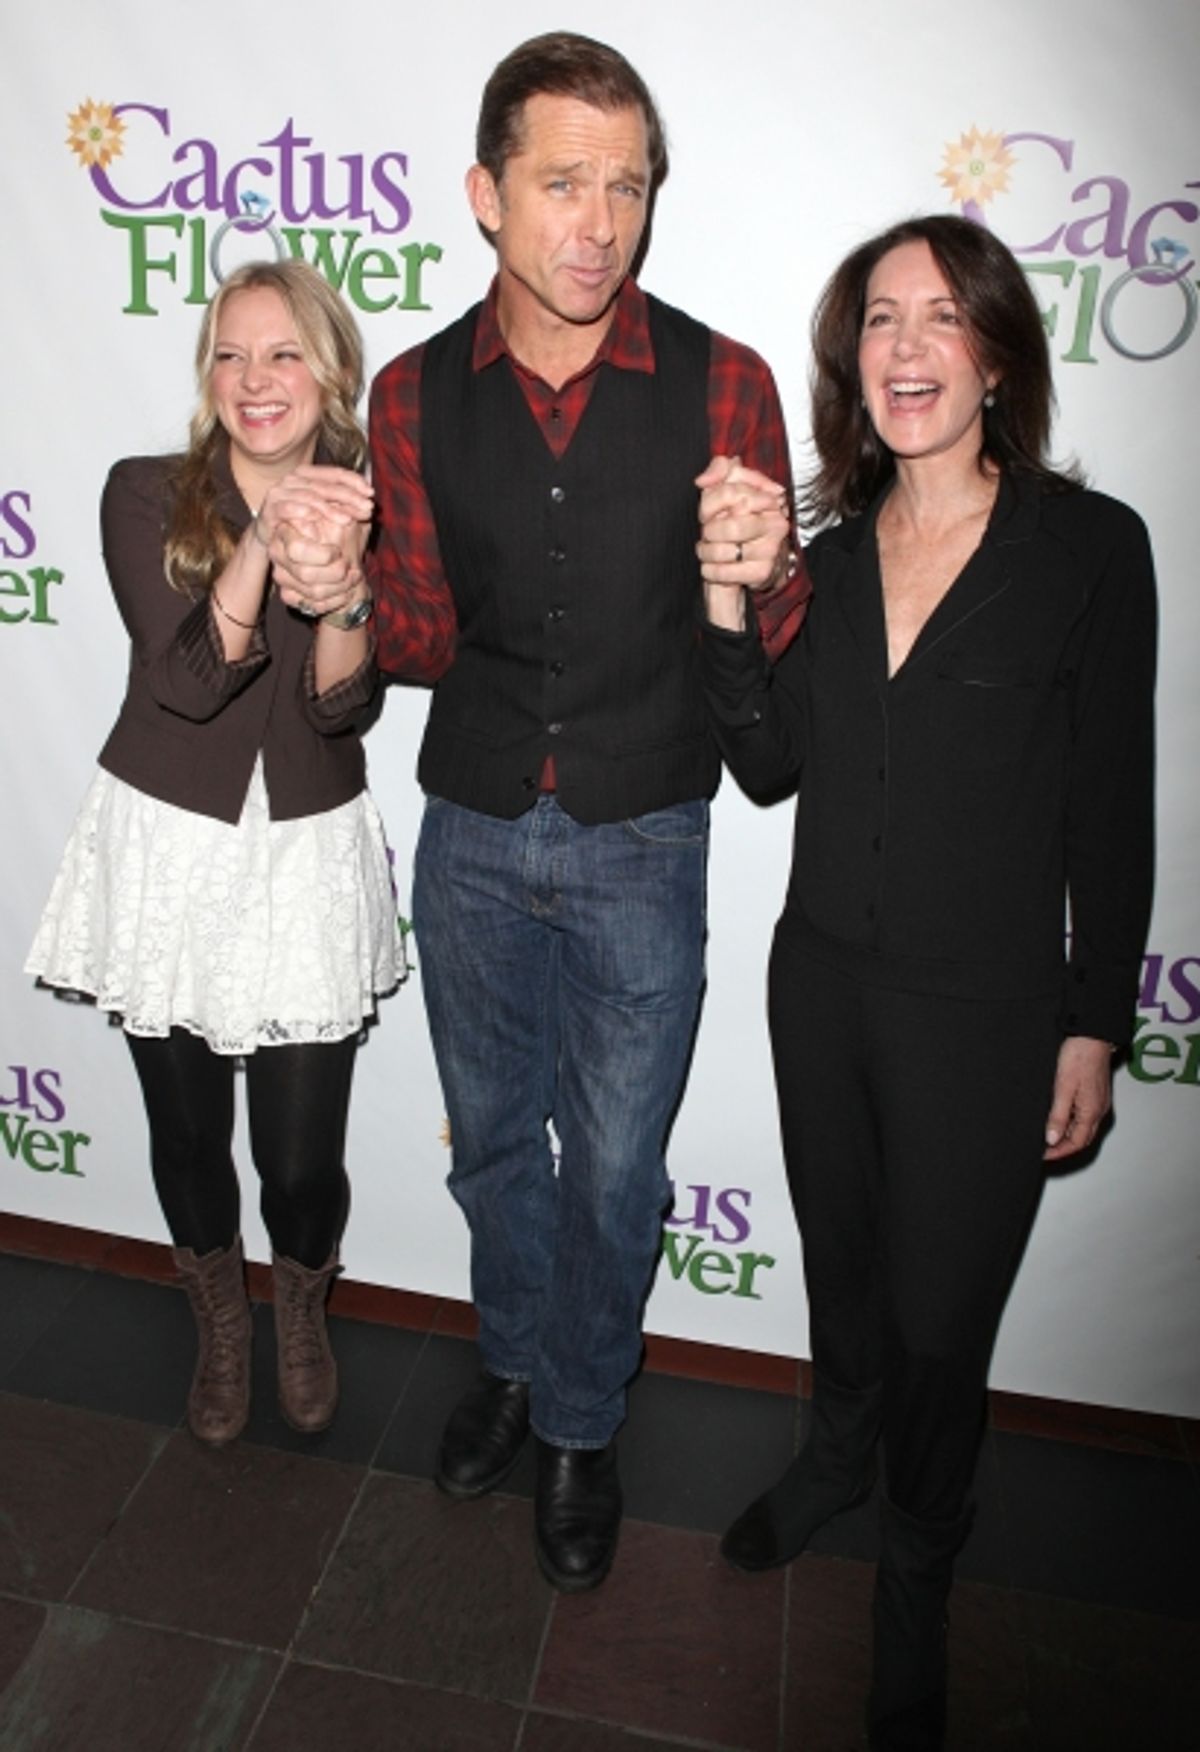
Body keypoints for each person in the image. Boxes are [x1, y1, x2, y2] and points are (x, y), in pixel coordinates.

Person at [273, 30, 808, 1593]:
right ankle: (509, 1361)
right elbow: (417, 644)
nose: (597, 219)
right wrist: (337, 603)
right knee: (498, 1145)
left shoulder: (729, 383)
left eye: (625, 185)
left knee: (624, 1166)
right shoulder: (418, 392)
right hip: (477, 834)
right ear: (485, 196)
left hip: (649, 832)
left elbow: (765, 681)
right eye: (562, 180)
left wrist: (769, 574)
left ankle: (579, 1418)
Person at [697, 213, 1156, 1748]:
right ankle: (834, 1457)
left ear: (998, 354)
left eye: (941, 318)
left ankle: (916, 1573)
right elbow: (764, 770)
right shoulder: (822, 562)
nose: (906, 348)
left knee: (945, 1331)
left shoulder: (1090, 550)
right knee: (843, 1273)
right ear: (853, 363)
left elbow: (1112, 801)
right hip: (819, 986)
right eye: (881, 320)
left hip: (986, 1013)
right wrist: (728, 609)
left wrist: (1097, 1018)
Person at [26, 260, 400, 1448]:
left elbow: (342, 713)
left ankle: (298, 1308)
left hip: (305, 854)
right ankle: (220, 1324)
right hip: (166, 850)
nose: (255, 381)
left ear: (328, 368)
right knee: (188, 1136)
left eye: (284, 353)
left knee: (299, 1161)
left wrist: (342, 589)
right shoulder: (146, 493)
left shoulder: (378, 501)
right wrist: (269, 539)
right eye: (231, 356)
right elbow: (184, 682)